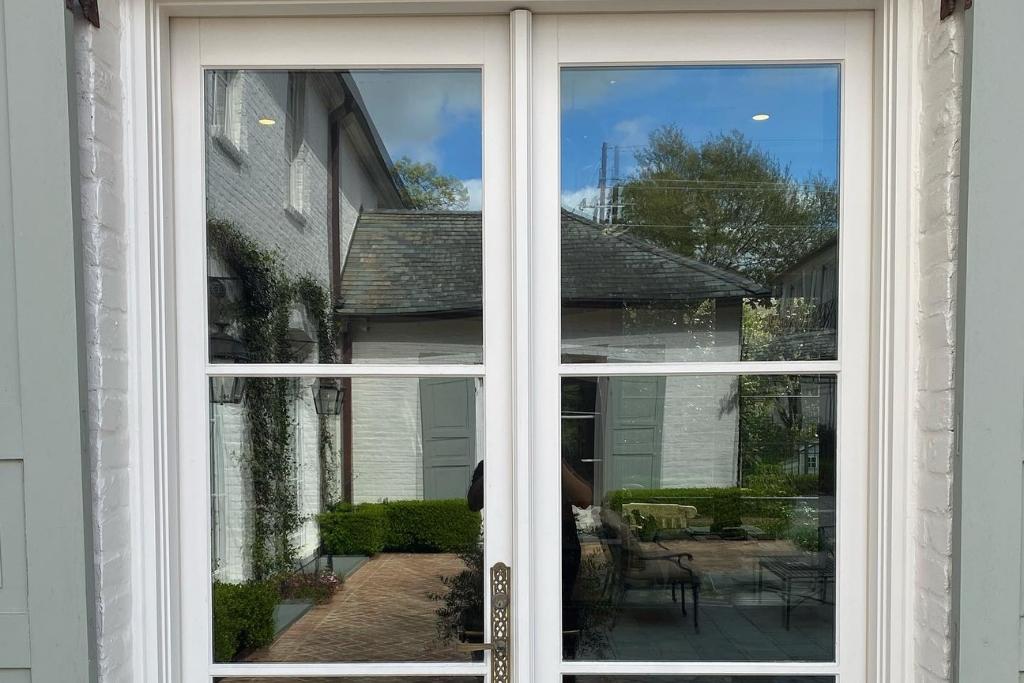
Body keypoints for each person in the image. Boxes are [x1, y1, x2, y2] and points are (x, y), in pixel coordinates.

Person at [467, 459, 593, 663]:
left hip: (560, 551)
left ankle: (560, 666)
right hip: (505, 553)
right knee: (503, 612)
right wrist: (500, 462)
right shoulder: (493, 460)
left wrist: (555, 461)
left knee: (558, 613)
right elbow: (474, 502)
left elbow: (585, 498)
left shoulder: (557, 459)